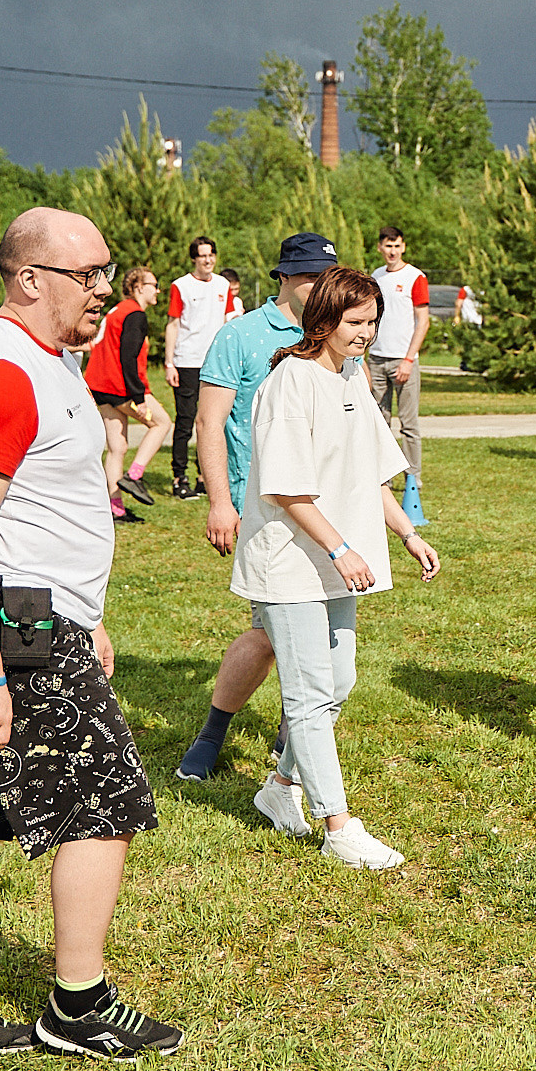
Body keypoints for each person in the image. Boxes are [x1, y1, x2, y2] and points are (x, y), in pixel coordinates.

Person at [0, 207, 182, 1060]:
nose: (105, 288)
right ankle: (78, 1006)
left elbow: (51, 510)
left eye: (108, 270)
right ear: (30, 279)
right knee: (106, 803)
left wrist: (87, 616)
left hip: (40, 617)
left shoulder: (51, 358)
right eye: (88, 274)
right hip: (14, 624)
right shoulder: (0, 374)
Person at [234, 266, 442, 870]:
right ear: (322, 322)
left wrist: (406, 533)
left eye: (373, 322)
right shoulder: (289, 383)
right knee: (308, 695)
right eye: (355, 323)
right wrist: (339, 549)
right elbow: (287, 491)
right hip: (290, 562)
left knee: (339, 682)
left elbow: (369, 473)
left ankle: (277, 789)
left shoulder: (352, 378)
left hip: (337, 560)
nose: (367, 334)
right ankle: (337, 824)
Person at [180, 232, 333, 786]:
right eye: (313, 279)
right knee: (270, 632)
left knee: (318, 632)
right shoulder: (239, 336)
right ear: (286, 278)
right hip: (261, 510)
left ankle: (295, 737)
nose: (321, 291)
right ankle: (215, 733)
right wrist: (220, 501)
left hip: (324, 511)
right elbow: (209, 423)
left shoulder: (333, 336)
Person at [85, 267, 175, 523]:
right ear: (138, 287)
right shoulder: (135, 314)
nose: (157, 290)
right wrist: (137, 396)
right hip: (117, 385)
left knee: (117, 447)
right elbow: (129, 358)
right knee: (162, 423)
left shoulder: (117, 309)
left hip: (98, 385)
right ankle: (134, 476)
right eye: (153, 284)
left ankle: (114, 509)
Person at [163, 236, 242, 500]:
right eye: (202, 256)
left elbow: (231, 320)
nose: (207, 260)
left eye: (211, 255)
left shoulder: (222, 284)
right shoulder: (180, 286)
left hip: (215, 362)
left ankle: (203, 477)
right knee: (185, 421)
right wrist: (169, 362)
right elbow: (173, 325)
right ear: (194, 259)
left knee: (212, 422)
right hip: (187, 361)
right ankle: (179, 477)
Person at [367, 226, 431, 520]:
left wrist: (408, 359)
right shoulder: (376, 276)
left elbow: (423, 321)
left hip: (403, 360)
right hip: (377, 358)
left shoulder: (415, 277)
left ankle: (412, 478)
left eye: (397, 245)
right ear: (380, 248)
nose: (392, 250)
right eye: (387, 246)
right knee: (379, 422)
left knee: (409, 424)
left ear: (403, 247)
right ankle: (383, 476)